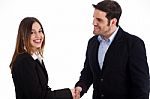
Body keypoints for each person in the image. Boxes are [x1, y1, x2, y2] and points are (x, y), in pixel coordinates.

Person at [74, 0, 150, 99]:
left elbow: (141, 86)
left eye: (99, 20)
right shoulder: (92, 42)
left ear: (113, 22)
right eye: (94, 18)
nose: (94, 23)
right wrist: (80, 87)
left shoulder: (133, 44)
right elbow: (88, 71)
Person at [9, 17, 76, 99]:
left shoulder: (34, 58)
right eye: (32, 32)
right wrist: (68, 93)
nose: (38, 36)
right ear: (23, 36)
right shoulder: (24, 61)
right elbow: (38, 97)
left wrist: (68, 93)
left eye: (40, 31)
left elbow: (44, 90)